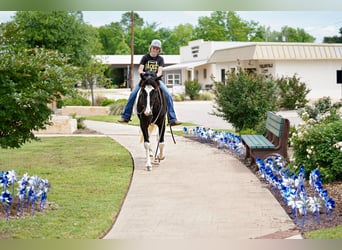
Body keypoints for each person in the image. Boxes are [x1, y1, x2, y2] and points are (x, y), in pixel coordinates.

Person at [118, 39, 182, 126]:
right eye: (153, 48)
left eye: (157, 49)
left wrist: (155, 76)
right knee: (133, 94)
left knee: (167, 94)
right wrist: (145, 74)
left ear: (159, 50)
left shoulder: (160, 59)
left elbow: (160, 72)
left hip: (156, 81)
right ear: (150, 48)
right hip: (145, 80)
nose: (155, 50)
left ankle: (172, 118)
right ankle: (126, 116)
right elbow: (140, 70)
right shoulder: (145, 57)